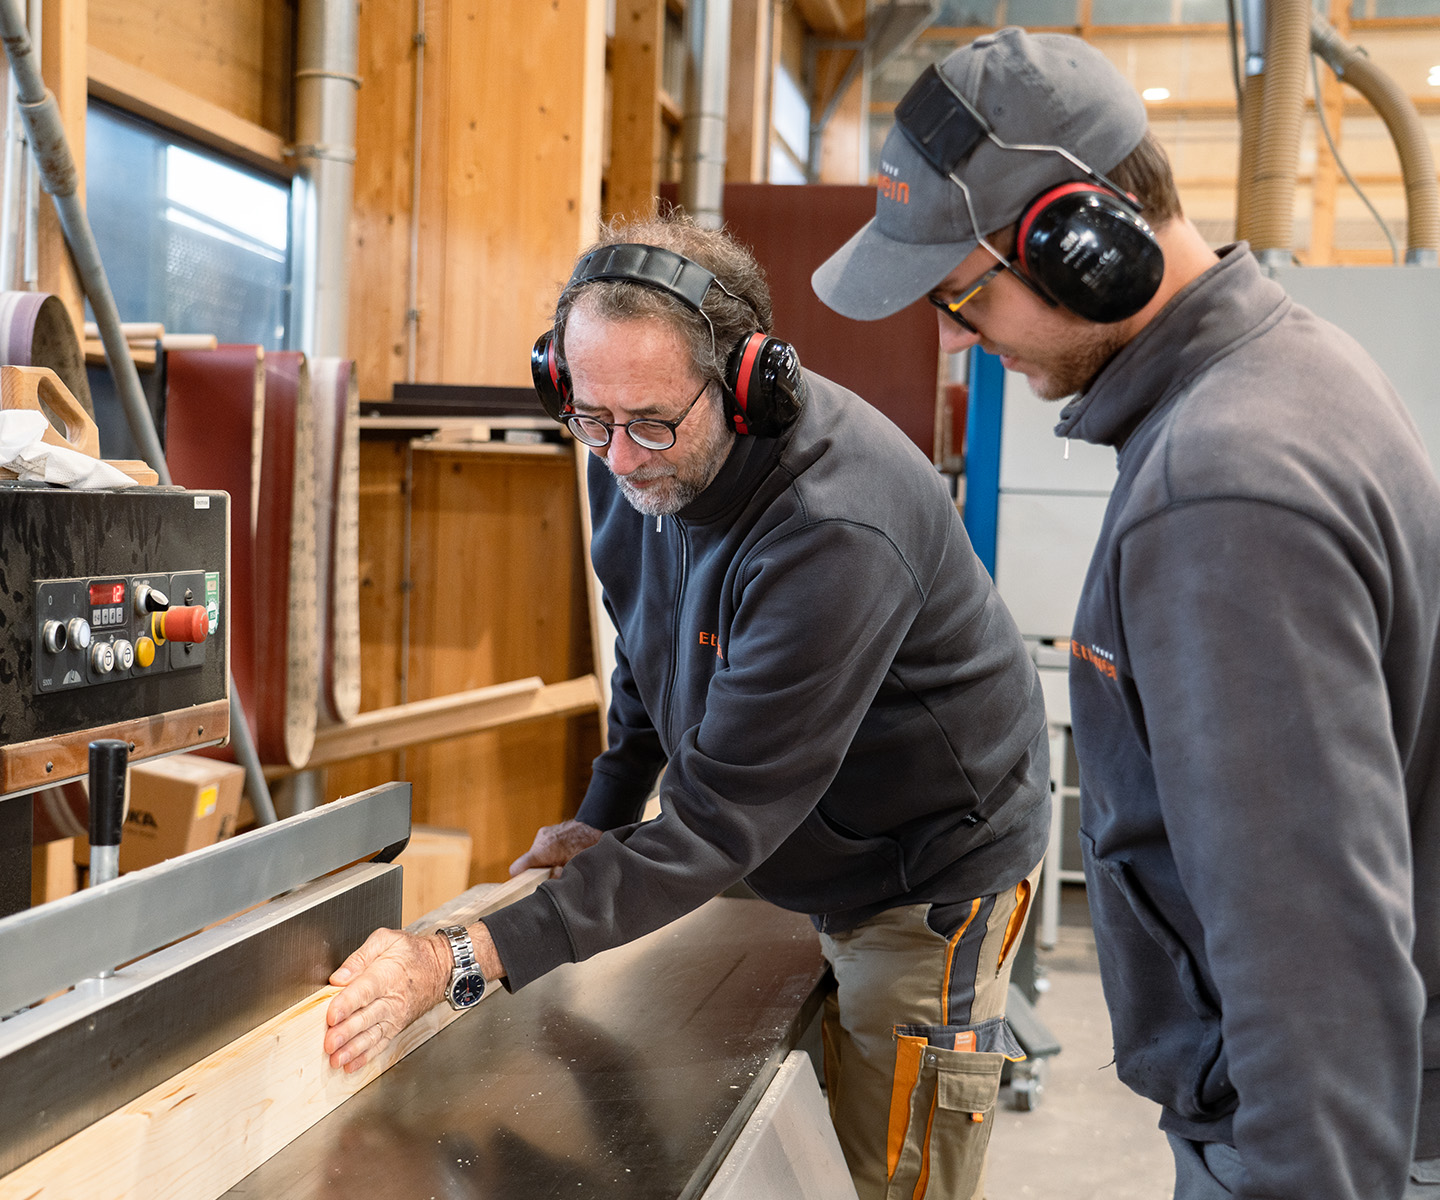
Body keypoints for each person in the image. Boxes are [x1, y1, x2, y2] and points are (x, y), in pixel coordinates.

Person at [812, 25, 1440, 1200]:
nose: (954, 337)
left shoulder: (1221, 491)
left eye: (962, 294)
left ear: (1082, 245)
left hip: (1319, 1146)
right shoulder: (1286, 376)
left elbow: (1312, 963)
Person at [323, 215, 1052, 1199]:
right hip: (801, 823)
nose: (620, 461)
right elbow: (647, 644)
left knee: (883, 1170)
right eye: (590, 419)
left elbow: (715, 823)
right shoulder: (639, 444)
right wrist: (606, 811)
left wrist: (460, 956)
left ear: (749, 386)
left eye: (652, 423)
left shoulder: (834, 530)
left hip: (925, 868)